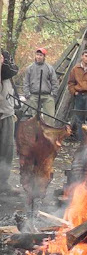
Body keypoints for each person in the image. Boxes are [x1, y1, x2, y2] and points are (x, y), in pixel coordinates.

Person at [23, 48, 58, 126]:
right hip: (34, 95)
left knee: (50, 117)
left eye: (41, 55)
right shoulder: (30, 68)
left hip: (47, 95)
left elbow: (54, 82)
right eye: (37, 55)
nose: (38, 57)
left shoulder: (49, 68)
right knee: (34, 117)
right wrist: (27, 94)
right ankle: (36, 134)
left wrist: (53, 94)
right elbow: (26, 82)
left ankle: (48, 135)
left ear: (44, 57)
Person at [0, 53, 19, 195]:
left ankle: (3, 183)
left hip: (7, 113)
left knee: (7, 149)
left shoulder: (6, 58)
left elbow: (13, 69)